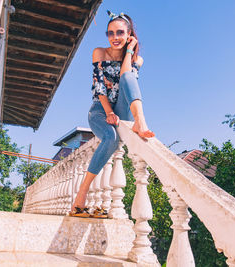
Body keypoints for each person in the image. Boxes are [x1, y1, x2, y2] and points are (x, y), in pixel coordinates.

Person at [69, 11, 154, 218]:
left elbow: (127, 78)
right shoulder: (99, 52)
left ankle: (140, 122)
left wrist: (129, 52)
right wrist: (108, 112)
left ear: (129, 35)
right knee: (111, 138)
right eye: (110, 33)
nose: (115, 37)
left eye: (120, 33)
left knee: (128, 76)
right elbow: (99, 87)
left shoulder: (137, 59)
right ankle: (81, 194)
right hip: (100, 109)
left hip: (124, 109)